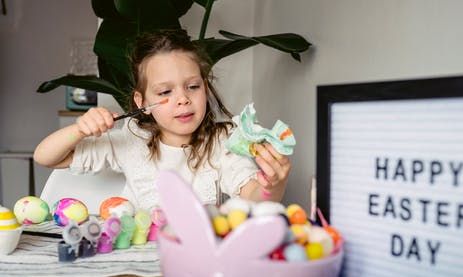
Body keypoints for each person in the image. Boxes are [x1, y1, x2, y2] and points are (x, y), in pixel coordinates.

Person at [34, 29, 291, 212]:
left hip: (195, 261)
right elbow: (46, 157)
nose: (182, 99)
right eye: (165, 92)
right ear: (142, 103)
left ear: (205, 87)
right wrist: (80, 129)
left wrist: (273, 186)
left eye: (192, 86)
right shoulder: (129, 141)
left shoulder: (222, 142)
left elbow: (255, 198)